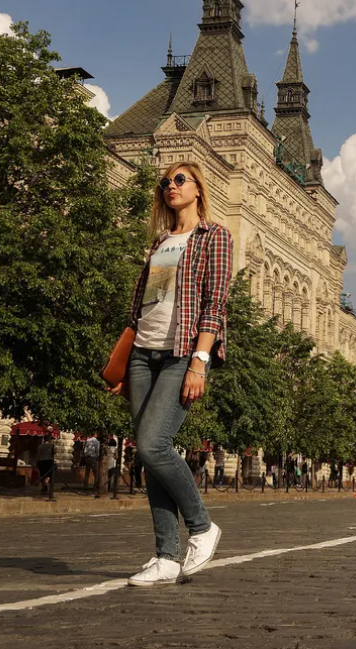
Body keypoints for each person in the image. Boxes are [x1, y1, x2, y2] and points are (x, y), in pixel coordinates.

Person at [122, 162, 231, 587]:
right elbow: (145, 307)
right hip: (141, 354)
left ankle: (202, 526)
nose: (171, 186)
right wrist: (125, 360)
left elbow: (215, 303)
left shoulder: (214, 236)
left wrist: (199, 362)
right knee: (148, 456)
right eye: (165, 182)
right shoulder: (161, 242)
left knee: (154, 444)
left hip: (181, 353)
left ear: (199, 190)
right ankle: (165, 557)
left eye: (180, 180)